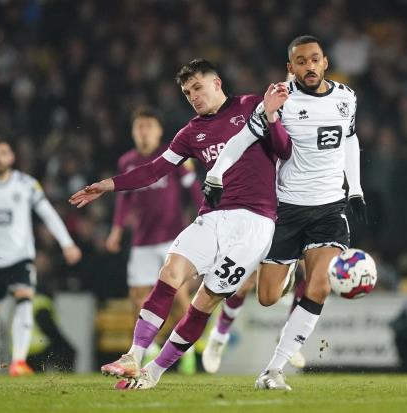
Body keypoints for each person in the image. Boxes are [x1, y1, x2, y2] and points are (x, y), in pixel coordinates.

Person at [69, 58, 291, 389]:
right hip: (211, 218)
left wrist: (272, 115)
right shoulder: (191, 132)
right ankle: (133, 356)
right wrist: (108, 185)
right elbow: (155, 169)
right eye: (187, 93)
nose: (193, 96)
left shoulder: (251, 105)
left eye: (197, 88)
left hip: (255, 223)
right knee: (169, 274)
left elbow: (284, 149)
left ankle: (154, 372)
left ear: (216, 83)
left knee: (204, 302)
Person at [203, 35, 366, 390]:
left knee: (320, 285)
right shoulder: (279, 100)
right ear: (290, 68)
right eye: (302, 62)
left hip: (328, 208)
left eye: (315, 59)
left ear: (325, 62)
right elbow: (242, 139)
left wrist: (354, 189)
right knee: (267, 297)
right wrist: (216, 173)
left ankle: (273, 370)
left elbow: (350, 139)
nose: (310, 66)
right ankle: (286, 272)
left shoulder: (346, 97)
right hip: (285, 209)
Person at [105, 106, 202, 372]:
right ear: (134, 132)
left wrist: (205, 217)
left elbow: (192, 188)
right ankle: (154, 349)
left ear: (159, 131)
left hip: (172, 239)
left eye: (149, 126)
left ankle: (186, 353)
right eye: (139, 127)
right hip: (142, 241)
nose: (144, 131)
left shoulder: (173, 157)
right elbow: (123, 199)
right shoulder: (127, 161)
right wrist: (116, 230)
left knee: (180, 297)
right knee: (138, 296)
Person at [0, 137, 82, 376]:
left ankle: (18, 362)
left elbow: (49, 214)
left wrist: (67, 244)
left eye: (3, 153)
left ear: (11, 157)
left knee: (25, 300)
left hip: (19, 258)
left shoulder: (26, 184)